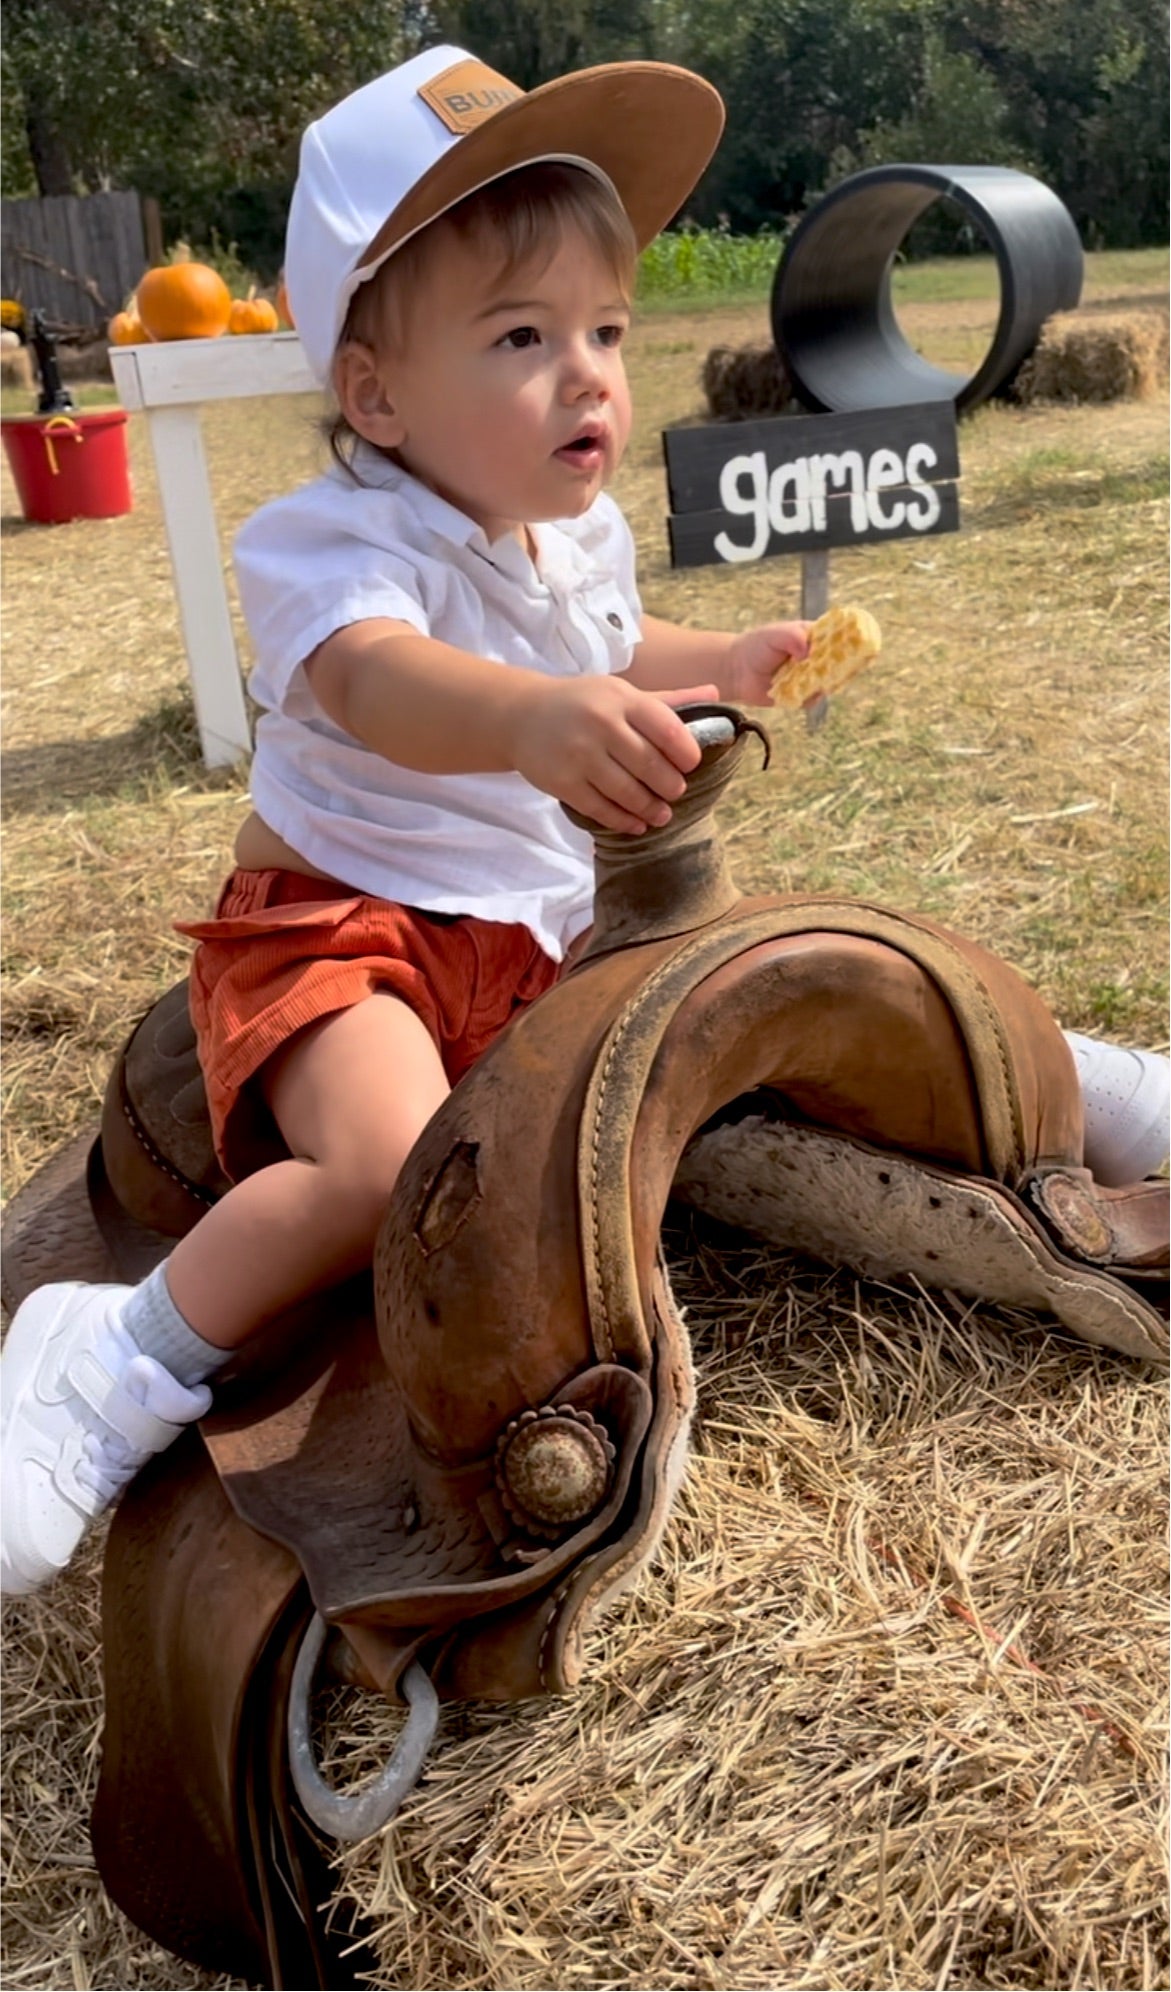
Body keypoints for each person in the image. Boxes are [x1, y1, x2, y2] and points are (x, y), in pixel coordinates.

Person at [1, 47, 1166, 1599]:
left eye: (608, 332)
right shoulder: (329, 541)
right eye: (524, 335)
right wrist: (533, 723)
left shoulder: (579, 534)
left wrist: (717, 663)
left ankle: (1097, 1093)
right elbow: (379, 682)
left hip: (541, 936)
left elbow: (607, 650)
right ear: (375, 389)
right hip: (354, 934)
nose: (592, 375)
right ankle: (113, 1357)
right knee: (390, 1172)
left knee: (786, 1009)